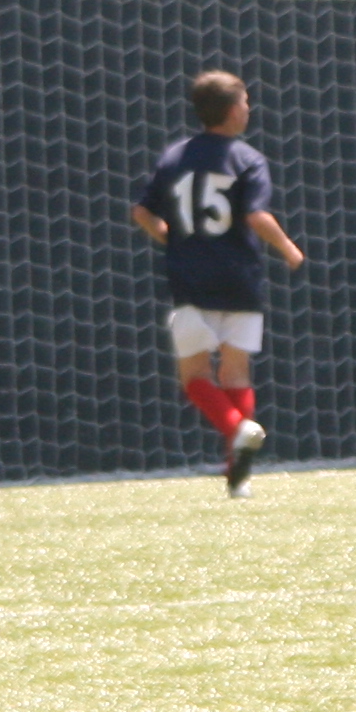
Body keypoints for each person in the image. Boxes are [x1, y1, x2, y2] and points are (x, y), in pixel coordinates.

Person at [128, 70, 306, 495]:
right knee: (236, 372)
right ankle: (238, 477)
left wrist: (169, 236)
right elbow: (256, 215)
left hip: (190, 278)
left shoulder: (175, 157)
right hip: (240, 278)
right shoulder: (247, 159)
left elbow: (141, 211)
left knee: (194, 376)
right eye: (245, 102)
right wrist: (288, 247)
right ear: (231, 110)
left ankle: (235, 429)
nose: (249, 108)